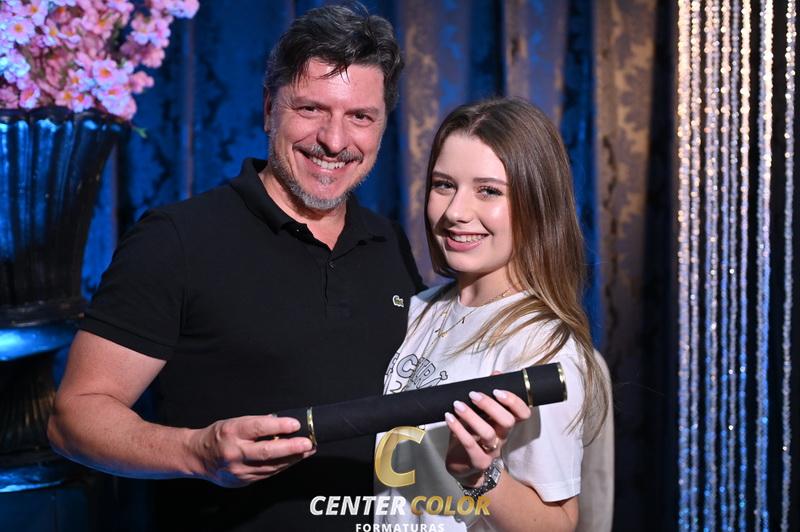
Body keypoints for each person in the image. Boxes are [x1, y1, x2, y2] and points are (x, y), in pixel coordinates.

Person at [47, 5, 422, 531]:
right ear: (269, 109)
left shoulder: (391, 243)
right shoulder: (176, 239)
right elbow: (73, 418)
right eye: (311, 109)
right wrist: (197, 451)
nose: (335, 141)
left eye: (360, 117)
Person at [375, 98, 611, 531]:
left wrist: (479, 476)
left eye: (488, 190)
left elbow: (559, 524)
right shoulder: (421, 309)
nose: (455, 212)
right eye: (444, 185)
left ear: (537, 204)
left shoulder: (540, 346)